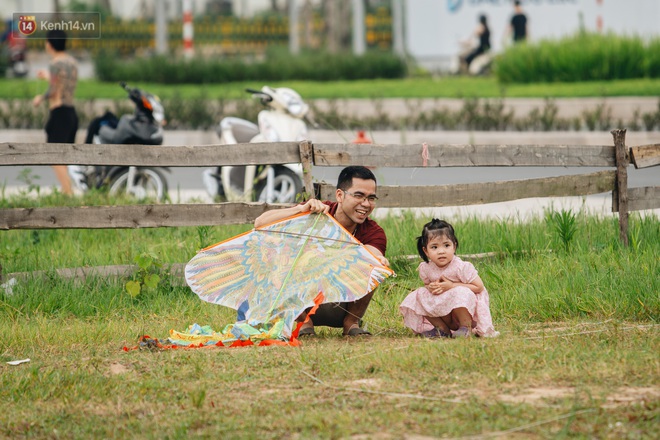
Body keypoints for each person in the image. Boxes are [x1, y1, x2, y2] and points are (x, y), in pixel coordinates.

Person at [253, 165, 389, 337]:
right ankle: (304, 322)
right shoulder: (316, 212)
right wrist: (299, 210)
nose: (366, 204)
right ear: (340, 195)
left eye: (371, 198)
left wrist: (378, 260)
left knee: (374, 264)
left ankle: (351, 323)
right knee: (275, 251)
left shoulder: (373, 232)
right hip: (303, 302)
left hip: (343, 302)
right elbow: (260, 223)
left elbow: (373, 254)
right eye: (359, 196)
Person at [399, 219, 498, 338]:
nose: (441, 251)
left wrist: (451, 286)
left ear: (454, 246)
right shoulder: (426, 268)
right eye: (434, 247)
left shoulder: (461, 267)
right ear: (426, 251)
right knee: (419, 294)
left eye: (446, 245)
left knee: (461, 291)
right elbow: (426, 284)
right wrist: (430, 287)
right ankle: (441, 329)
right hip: (443, 311)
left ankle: (465, 328)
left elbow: (479, 287)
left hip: (464, 310)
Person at [32, 29, 78, 195]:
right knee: (63, 157)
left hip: (59, 114)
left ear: (50, 44)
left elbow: (53, 89)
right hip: (71, 113)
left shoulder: (54, 63)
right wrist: (47, 76)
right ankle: (67, 191)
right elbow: (62, 82)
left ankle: (68, 194)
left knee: (55, 156)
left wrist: (40, 98)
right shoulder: (72, 62)